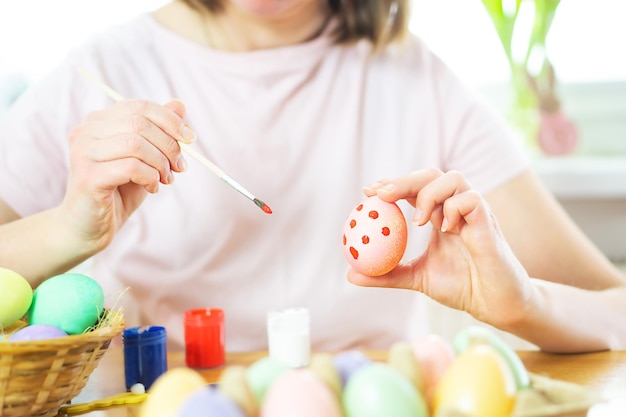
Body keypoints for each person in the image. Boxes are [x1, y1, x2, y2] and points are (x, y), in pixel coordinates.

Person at [0, 0, 624, 354]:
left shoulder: (415, 80)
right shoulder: (100, 70)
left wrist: (524, 306)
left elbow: (616, 311)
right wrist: (64, 232)